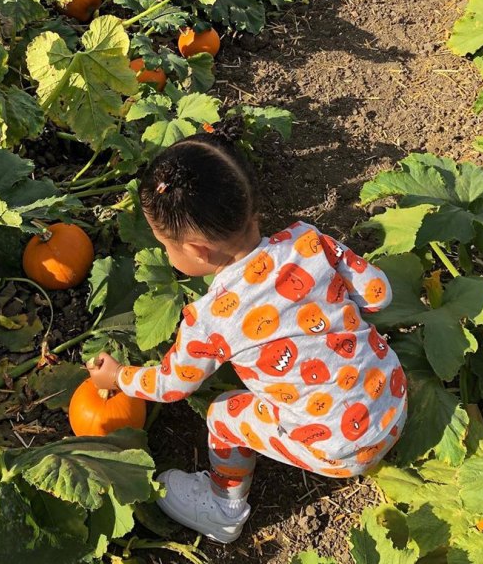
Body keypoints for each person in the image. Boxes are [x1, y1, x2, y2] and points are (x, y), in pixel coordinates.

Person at [86, 119, 407, 543]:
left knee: (222, 412)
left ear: (199, 251)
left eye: (166, 246)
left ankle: (223, 509)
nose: (166, 252)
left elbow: (172, 385)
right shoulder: (308, 241)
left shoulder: (211, 318)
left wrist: (119, 377)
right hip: (394, 400)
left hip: (341, 449)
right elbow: (379, 294)